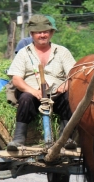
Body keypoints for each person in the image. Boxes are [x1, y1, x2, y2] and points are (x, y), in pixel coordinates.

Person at [6, 14, 76, 151]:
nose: (42, 35)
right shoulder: (23, 53)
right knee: (25, 98)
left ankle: (66, 138)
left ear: (51, 33)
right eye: (38, 32)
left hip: (57, 94)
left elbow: (74, 74)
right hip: (33, 95)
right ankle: (19, 138)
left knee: (70, 97)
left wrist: (66, 85)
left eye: (45, 32)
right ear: (32, 34)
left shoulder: (62, 52)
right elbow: (17, 79)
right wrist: (33, 91)